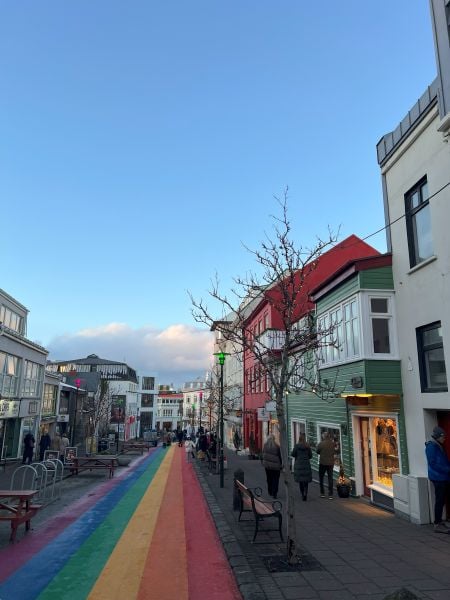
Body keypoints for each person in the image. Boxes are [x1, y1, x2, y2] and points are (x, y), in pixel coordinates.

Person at [425, 426, 450, 534]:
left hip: (442, 476)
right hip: (438, 477)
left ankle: (439, 522)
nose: (444, 439)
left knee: (442, 499)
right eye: (443, 437)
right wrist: (447, 469)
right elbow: (433, 463)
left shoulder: (437, 445)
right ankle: (437, 524)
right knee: (439, 500)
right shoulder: (432, 446)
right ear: (438, 436)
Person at [291, 433, 313, 501]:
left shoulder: (297, 446)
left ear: (299, 438)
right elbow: (310, 456)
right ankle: (305, 493)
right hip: (306, 464)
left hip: (299, 465)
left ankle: (302, 494)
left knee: (301, 480)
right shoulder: (307, 446)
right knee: (305, 481)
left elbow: (293, 454)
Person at [262, 434, 282, 499]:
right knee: (276, 479)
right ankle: (275, 493)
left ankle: (270, 491)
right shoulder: (277, 446)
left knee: (269, 479)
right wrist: (281, 464)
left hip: (267, 466)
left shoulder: (265, 446)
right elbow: (280, 456)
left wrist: (263, 462)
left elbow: (263, 454)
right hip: (276, 466)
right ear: (274, 439)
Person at [316, 431, 335, 499]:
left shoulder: (321, 444)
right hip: (330, 463)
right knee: (330, 478)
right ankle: (330, 494)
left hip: (323, 463)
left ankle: (322, 493)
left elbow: (317, 451)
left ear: (324, 436)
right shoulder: (332, 443)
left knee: (321, 478)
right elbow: (335, 451)